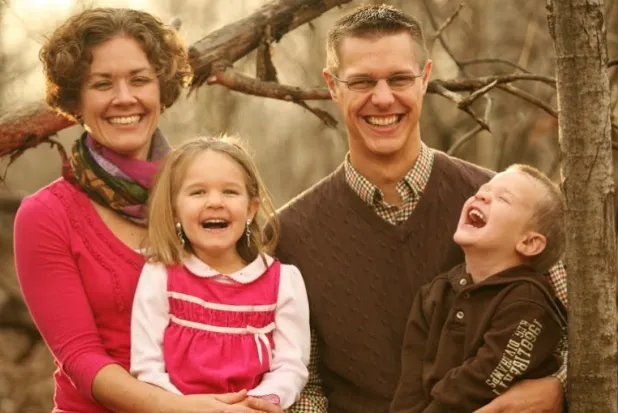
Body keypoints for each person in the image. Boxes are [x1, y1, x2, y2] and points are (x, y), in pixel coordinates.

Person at [278, 4, 568, 413]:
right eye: (362, 81)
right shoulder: (290, 234)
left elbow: (587, 337)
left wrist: (559, 389)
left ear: (426, 78)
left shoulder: (509, 208)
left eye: (399, 78)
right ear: (332, 85)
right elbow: (302, 382)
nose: (383, 98)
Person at [13, 8, 283, 413]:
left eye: (139, 80)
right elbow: (81, 360)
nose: (125, 98)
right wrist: (187, 408)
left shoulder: (206, 197)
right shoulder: (46, 216)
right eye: (102, 84)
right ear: (76, 99)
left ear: (162, 89)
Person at [130, 136, 310, 410]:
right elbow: (147, 365)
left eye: (229, 192)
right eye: (198, 192)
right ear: (175, 211)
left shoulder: (283, 282)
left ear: (251, 209)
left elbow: (291, 366)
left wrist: (254, 404)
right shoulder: (160, 276)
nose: (215, 202)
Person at [389, 164, 567, 413]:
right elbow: (410, 384)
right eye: (483, 190)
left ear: (529, 242)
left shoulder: (529, 302)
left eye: (503, 198)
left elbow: (484, 377)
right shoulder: (433, 295)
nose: (482, 195)